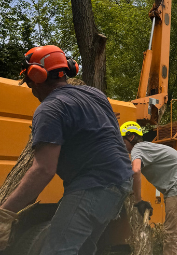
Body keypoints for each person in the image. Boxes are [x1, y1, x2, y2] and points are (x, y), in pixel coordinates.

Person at [0, 45, 132, 254]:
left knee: (57, 250)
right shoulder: (95, 94)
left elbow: (43, 169)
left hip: (93, 185)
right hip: (120, 183)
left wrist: (5, 213)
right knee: (82, 249)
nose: (31, 88)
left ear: (37, 76)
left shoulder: (51, 108)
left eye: (29, 81)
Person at [120, 121, 177, 255]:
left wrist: (139, 201)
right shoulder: (147, 147)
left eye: (123, 140)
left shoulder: (138, 148)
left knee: (171, 235)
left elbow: (136, 171)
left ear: (131, 137)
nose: (122, 144)